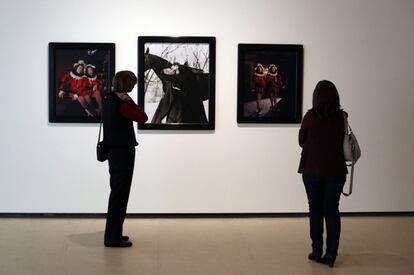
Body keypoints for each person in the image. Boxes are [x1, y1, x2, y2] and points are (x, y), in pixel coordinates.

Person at [298, 80, 347, 267]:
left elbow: (301, 141)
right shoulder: (342, 117)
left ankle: (317, 251)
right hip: (336, 171)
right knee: (332, 211)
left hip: (312, 169)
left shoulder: (310, 117)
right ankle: (331, 255)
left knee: (315, 210)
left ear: (316, 97)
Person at [102, 70, 148, 247]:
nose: (133, 88)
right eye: (132, 85)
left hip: (113, 153)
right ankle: (112, 238)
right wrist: (130, 101)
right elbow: (143, 118)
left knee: (117, 194)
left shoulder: (108, 99)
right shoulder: (122, 105)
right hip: (123, 154)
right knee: (120, 196)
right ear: (127, 85)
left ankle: (115, 233)